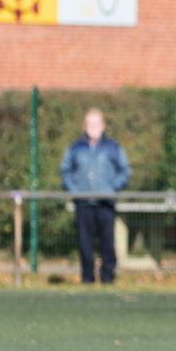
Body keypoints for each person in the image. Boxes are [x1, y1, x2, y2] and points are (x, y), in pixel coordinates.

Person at [59, 108, 131, 284]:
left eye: (97, 123)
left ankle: (107, 277)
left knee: (107, 243)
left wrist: (112, 189)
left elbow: (125, 170)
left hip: (105, 203)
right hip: (83, 203)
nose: (94, 127)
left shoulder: (112, 147)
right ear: (85, 126)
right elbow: (65, 170)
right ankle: (87, 278)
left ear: (103, 125)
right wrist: (74, 191)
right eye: (90, 124)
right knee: (85, 244)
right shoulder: (76, 148)